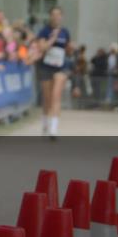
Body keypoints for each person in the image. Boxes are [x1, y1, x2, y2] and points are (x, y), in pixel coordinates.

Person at [32, 7, 72, 138]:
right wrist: (52, 39)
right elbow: (42, 47)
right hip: (46, 67)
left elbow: (69, 50)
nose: (56, 17)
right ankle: (45, 122)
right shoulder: (44, 31)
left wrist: (71, 48)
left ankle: (53, 129)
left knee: (56, 95)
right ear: (50, 16)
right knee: (47, 99)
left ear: (62, 17)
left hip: (60, 67)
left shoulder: (65, 32)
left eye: (58, 15)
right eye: (53, 15)